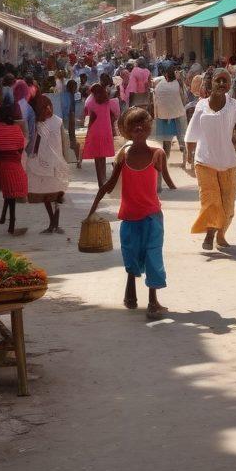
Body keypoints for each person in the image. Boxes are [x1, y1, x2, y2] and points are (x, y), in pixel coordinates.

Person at [86, 107, 168, 319]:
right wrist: (92, 209)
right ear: (127, 131)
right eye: (134, 126)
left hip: (151, 215)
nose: (139, 128)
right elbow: (109, 185)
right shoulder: (123, 155)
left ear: (149, 128)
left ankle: (152, 301)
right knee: (131, 255)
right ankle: (130, 293)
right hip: (130, 215)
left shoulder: (156, 154)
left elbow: (167, 180)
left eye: (143, 125)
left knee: (153, 255)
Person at [185, 68, 236, 251]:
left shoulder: (234, 106)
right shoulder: (201, 105)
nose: (222, 84)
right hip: (204, 161)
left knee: (228, 203)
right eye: (219, 80)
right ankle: (209, 234)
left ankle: (221, 234)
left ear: (230, 84)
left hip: (228, 162)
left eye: (226, 81)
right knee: (211, 201)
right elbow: (191, 134)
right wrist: (189, 159)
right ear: (211, 83)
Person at [26, 95, 71, 234]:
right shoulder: (39, 124)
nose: (48, 109)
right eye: (45, 107)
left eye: (49, 105)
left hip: (56, 162)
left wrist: (65, 159)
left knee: (56, 194)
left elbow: (63, 142)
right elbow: (36, 144)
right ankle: (52, 223)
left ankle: (54, 223)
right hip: (44, 162)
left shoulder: (57, 121)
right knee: (47, 194)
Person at [0, 103, 28, 236]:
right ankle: (9, 220)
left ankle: (9, 220)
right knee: (11, 192)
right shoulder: (16, 129)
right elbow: (21, 146)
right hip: (15, 162)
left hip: (2, 163)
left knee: (9, 191)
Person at [81, 83, 121, 189]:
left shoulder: (90, 103)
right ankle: (104, 179)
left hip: (95, 133)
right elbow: (115, 114)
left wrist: (88, 132)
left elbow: (89, 120)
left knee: (97, 159)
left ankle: (100, 182)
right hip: (106, 132)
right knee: (103, 158)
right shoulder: (108, 102)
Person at [151, 68, 186, 183]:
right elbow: (183, 98)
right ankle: (185, 159)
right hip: (178, 114)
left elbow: (155, 100)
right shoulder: (178, 84)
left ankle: (163, 164)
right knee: (183, 137)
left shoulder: (159, 85)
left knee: (166, 143)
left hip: (163, 116)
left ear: (165, 76)